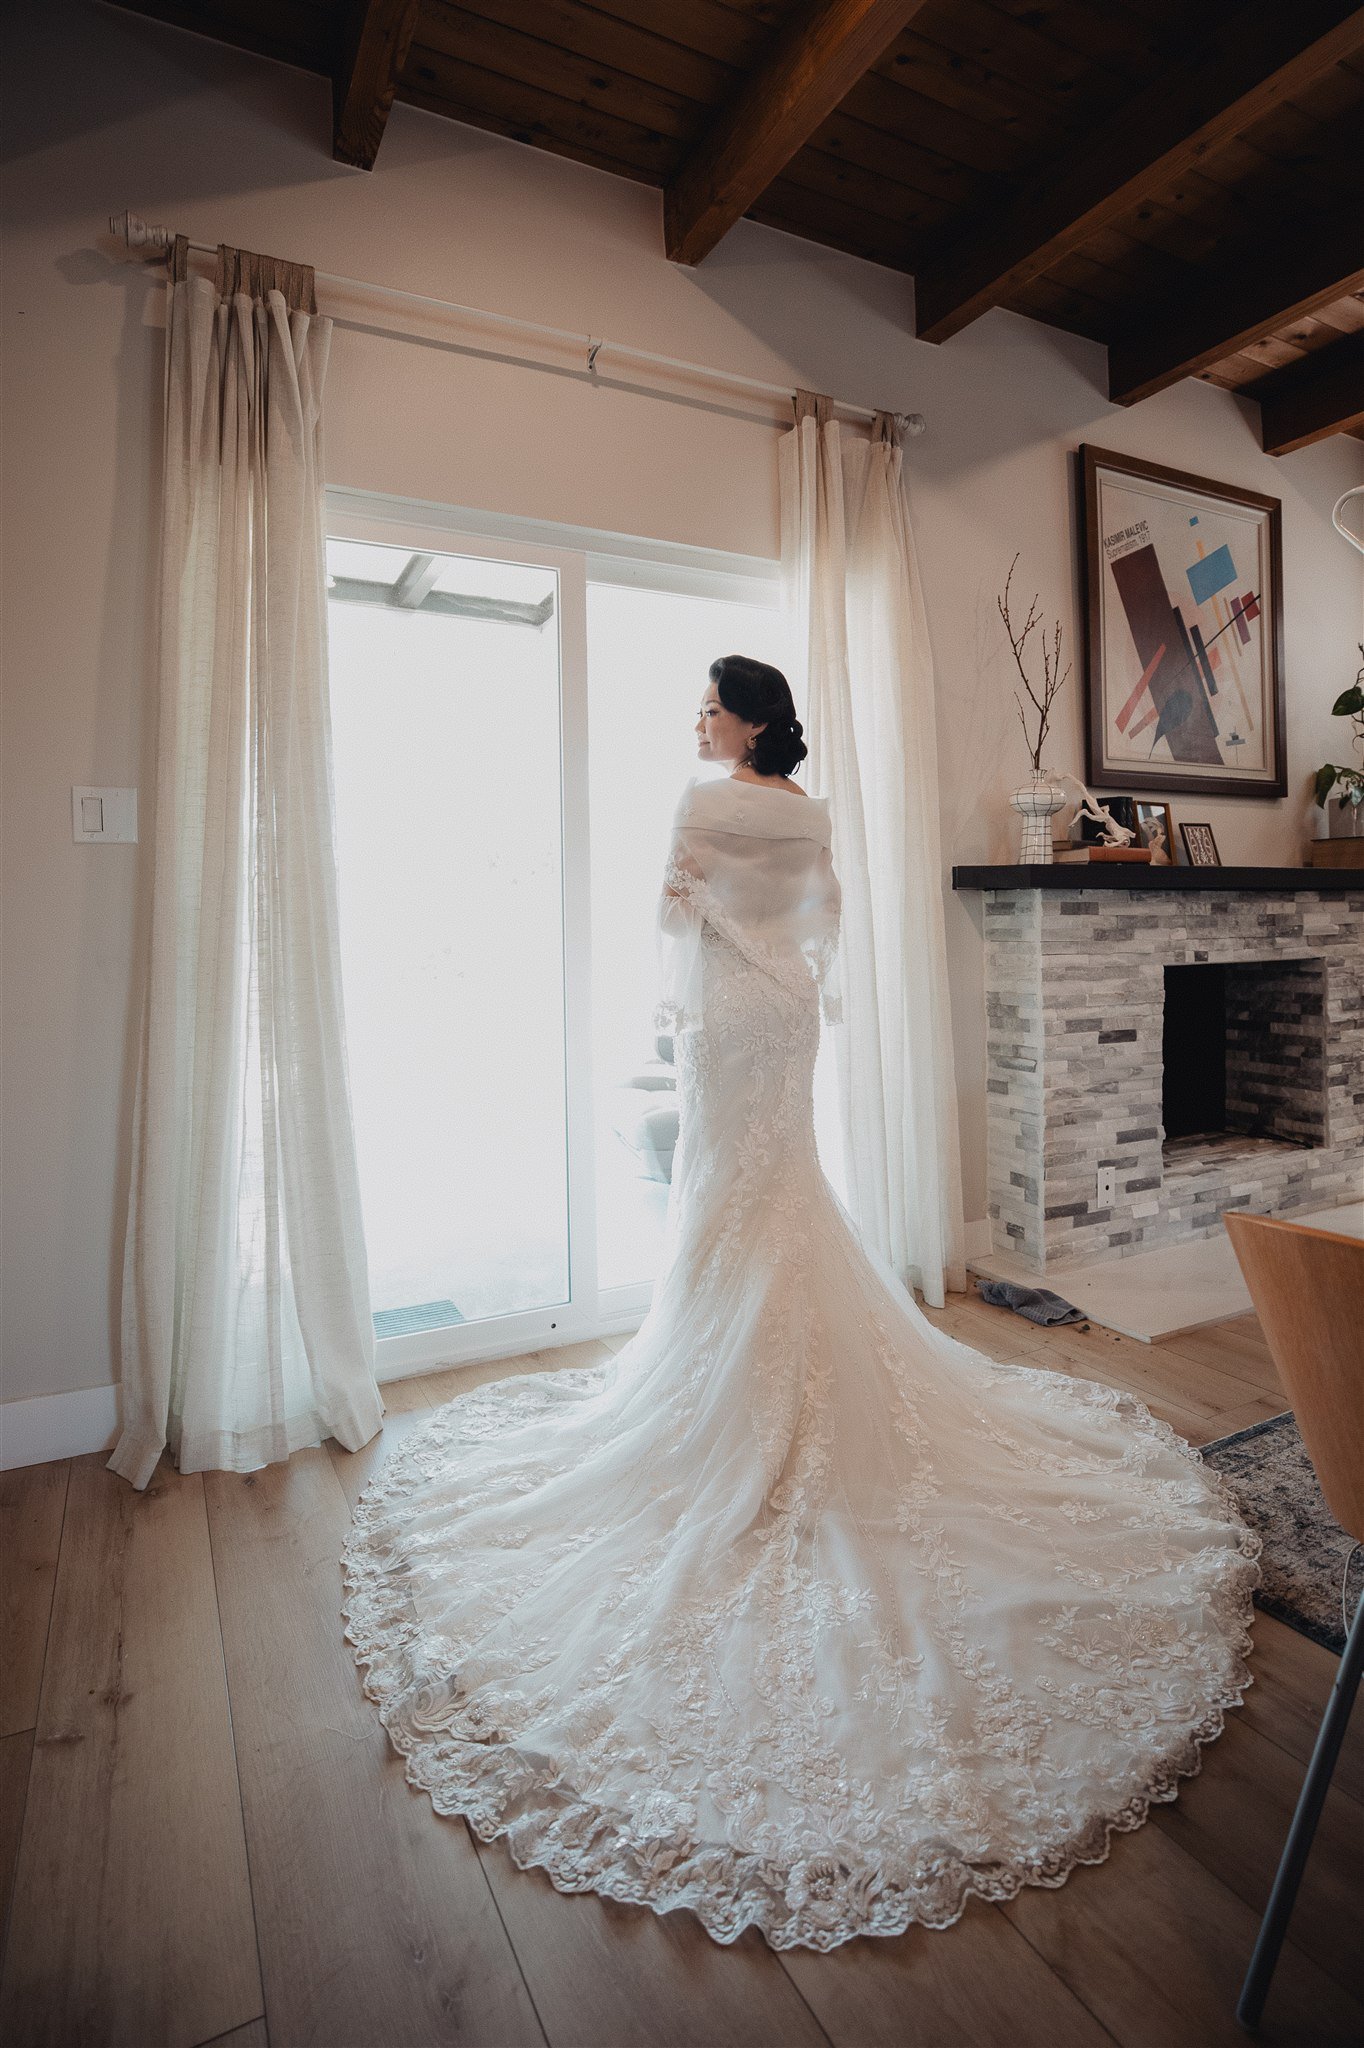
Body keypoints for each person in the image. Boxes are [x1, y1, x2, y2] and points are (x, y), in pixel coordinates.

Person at [343, 654, 1260, 1950]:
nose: (699, 720)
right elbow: (822, 919)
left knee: (731, 1204)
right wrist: (769, 951)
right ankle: (767, 1378)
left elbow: (672, 921)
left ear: (753, 716)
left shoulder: (705, 803)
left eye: (711, 704)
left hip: (728, 1013)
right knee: (779, 1193)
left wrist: (705, 940)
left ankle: (734, 1400)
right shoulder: (813, 813)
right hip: (790, 1008)